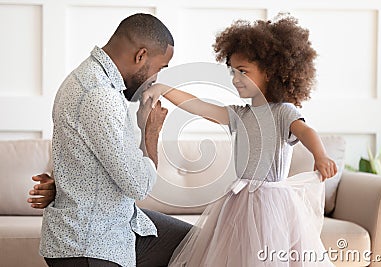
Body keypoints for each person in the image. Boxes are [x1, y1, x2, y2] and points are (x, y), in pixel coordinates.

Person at [142, 15, 337, 266]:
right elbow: (201, 107)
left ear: (270, 72)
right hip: (238, 201)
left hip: (271, 204)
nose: (235, 79)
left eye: (243, 71)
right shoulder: (241, 114)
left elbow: (306, 131)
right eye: (233, 71)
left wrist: (320, 155)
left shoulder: (282, 112)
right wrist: (165, 90)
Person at [30, 13, 192, 267]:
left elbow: (81, 158)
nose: (155, 80)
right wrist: (150, 132)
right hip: (89, 243)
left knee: (196, 244)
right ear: (141, 56)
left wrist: (59, 184)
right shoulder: (100, 95)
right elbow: (139, 185)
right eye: (159, 68)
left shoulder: (87, 77)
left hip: (112, 223)